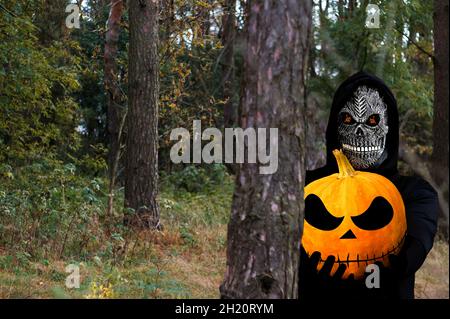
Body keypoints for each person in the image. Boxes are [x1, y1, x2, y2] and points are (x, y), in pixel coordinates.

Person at [298, 71, 439, 299]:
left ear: (388, 128)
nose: (359, 131)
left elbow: (415, 248)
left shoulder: (414, 193)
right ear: (335, 127)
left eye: (372, 121)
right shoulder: (306, 187)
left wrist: (382, 271)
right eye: (348, 121)